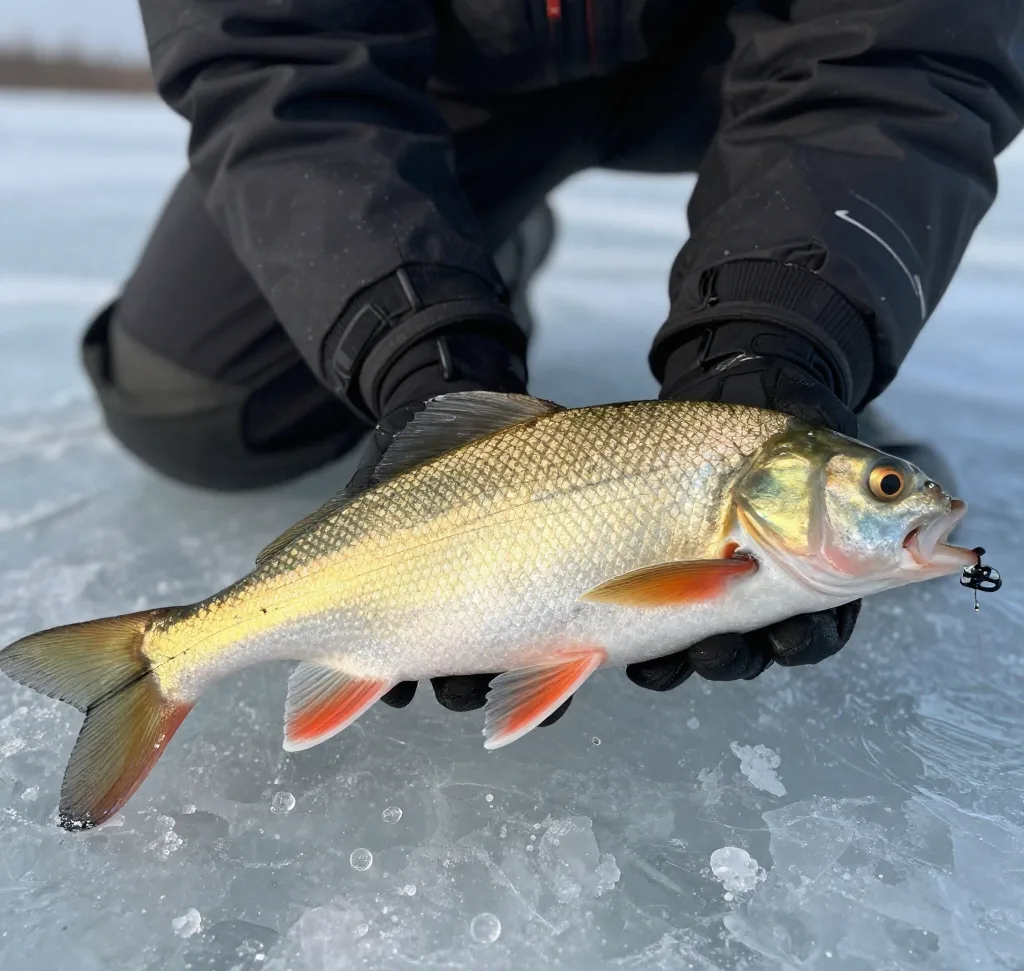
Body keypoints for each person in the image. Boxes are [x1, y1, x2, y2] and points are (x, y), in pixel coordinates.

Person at [82, 1, 1024, 723]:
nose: (916, 499)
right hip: (429, 77)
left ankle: (711, 264)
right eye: (890, 488)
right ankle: (478, 251)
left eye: (890, 488)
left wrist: (785, 333)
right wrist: (418, 343)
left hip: (734, 59)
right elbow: (269, 47)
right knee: (194, 404)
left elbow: (911, 45)